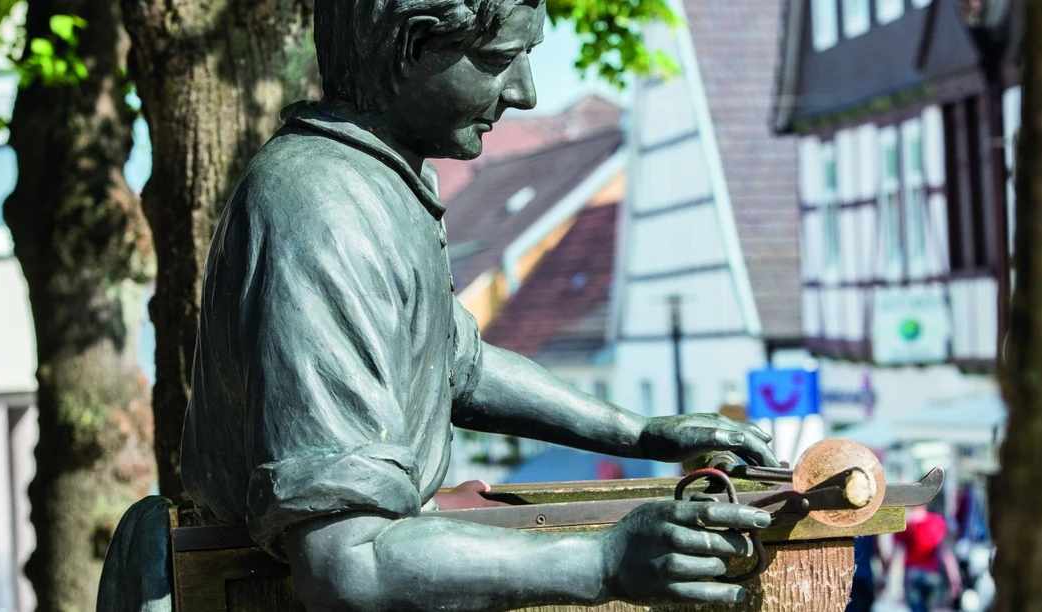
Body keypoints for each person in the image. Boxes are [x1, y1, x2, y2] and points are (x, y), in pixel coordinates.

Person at [173, 0, 784, 610]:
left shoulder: (377, 184)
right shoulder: (325, 213)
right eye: (498, 60)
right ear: (413, 48)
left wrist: (642, 432)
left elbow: (455, 364)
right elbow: (349, 566)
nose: (525, 92)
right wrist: (604, 560)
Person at [893, 502, 962, 612]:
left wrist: (889, 578)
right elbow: (945, 553)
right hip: (931, 575)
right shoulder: (936, 521)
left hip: (912, 574)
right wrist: (954, 579)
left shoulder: (905, 525)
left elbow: (896, 553)